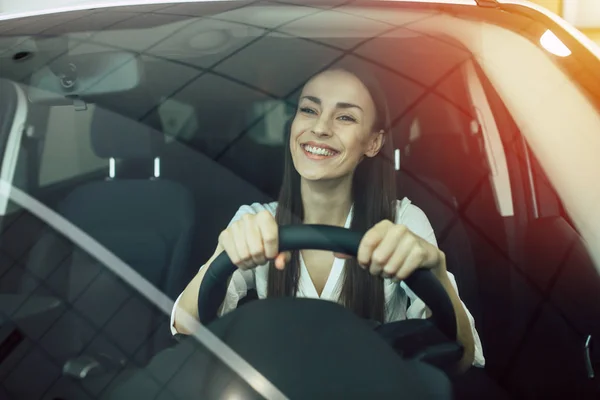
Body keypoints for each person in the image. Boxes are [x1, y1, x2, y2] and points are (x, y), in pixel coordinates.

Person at [171, 61, 485, 372]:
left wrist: (438, 274)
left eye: (345, 117)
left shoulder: (402, 221)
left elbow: (462, 357)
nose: (320, 128)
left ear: (373, 143)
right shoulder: (256, 222)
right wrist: (221, 259)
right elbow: (186, 328)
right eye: (309, 110)